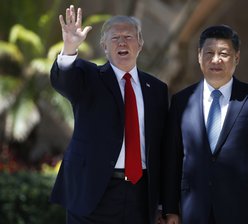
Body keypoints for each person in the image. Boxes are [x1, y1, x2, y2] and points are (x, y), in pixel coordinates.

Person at [50, 5, 169, 224]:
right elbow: (63, 80)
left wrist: (163, 203)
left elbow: (161, 148)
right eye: (115, 38)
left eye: (129, 37)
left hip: (140, 195)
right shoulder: (89, 76)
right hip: (93, 192)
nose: (122, 42)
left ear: (140, 44)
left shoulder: (157, 89)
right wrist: (69, 48)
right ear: (104, 46)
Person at [162, 25, 248, 224]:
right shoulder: (181, 101)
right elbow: (172, 159)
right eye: (209, 53)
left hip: (243, 209)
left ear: (236, 57)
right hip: (193, 209)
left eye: (224, 53)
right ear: (199, 56)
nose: (216, 59)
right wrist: (170, 209)